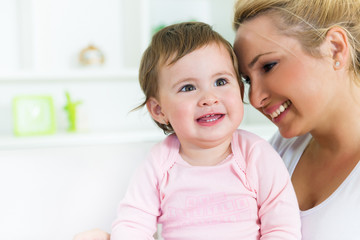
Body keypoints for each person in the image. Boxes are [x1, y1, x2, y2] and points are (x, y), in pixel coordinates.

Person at [73, 21, 301, 240]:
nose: (209, 98)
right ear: (159, 109)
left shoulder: (257, 155)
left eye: (221, 82)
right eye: (188, 87)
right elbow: (133, 224)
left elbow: (282, 227)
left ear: (240, 90)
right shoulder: (160, 163)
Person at [232, 0, 360, 239]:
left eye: (268, 66)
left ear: (334, 48)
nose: (255, 98)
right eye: (248, 79)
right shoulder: (276, 153)